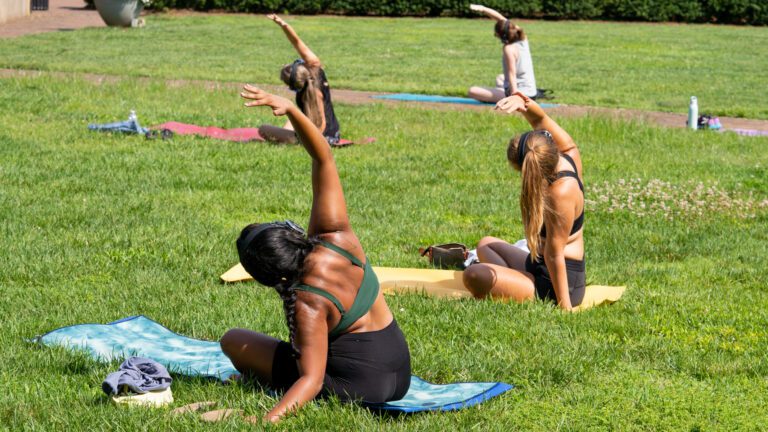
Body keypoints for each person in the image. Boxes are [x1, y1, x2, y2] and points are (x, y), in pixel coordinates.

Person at [220, 86, 410, 423]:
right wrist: (292, 111)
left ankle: (270, 386)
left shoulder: (307, 301)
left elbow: (312, 379)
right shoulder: (337, 237)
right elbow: (323, 156)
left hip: (360, 388)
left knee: (234, 341)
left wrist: (265, 420)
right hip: (400, 375)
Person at [462, 92, 585, 311]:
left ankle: (522, 285)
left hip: (557, 284)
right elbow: (541, 121)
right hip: (538, 263)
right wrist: (524, 103)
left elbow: (554, 254)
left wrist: (565, 308)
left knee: (473, 275)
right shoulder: (567, 157)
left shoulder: (561, 193)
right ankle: (516, 280)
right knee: (485, 244)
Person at [258, 14, 341, 146]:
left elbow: (321, 124)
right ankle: (289, 138)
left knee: (263, 129)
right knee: (294, 115)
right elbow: (297, 42)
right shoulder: (316, 71)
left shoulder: (310, 94)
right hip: (332, 135)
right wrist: (284, 26)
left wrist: (307, 141)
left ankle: (290, 140)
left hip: (322, 140)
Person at [467, 4, 538, 103]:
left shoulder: (508, 49)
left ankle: (509, 97)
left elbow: (512, 74)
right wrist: (483, 9)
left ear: (500, 36)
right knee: (500, 78)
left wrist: (514, 98)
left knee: (472, 91)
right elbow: (502, 20)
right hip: (531, 91)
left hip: (522, 96)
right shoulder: (522, 39)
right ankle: (506, 94)